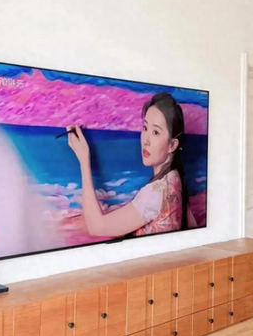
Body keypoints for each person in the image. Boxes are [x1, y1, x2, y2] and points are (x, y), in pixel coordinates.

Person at [67, 91, 196, 239]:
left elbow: (97, 227)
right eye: (145, 128)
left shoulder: (155, 193)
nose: (146, 140)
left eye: (155, 132)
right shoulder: (175, 178)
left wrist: (84, 159)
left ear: (172, 145)